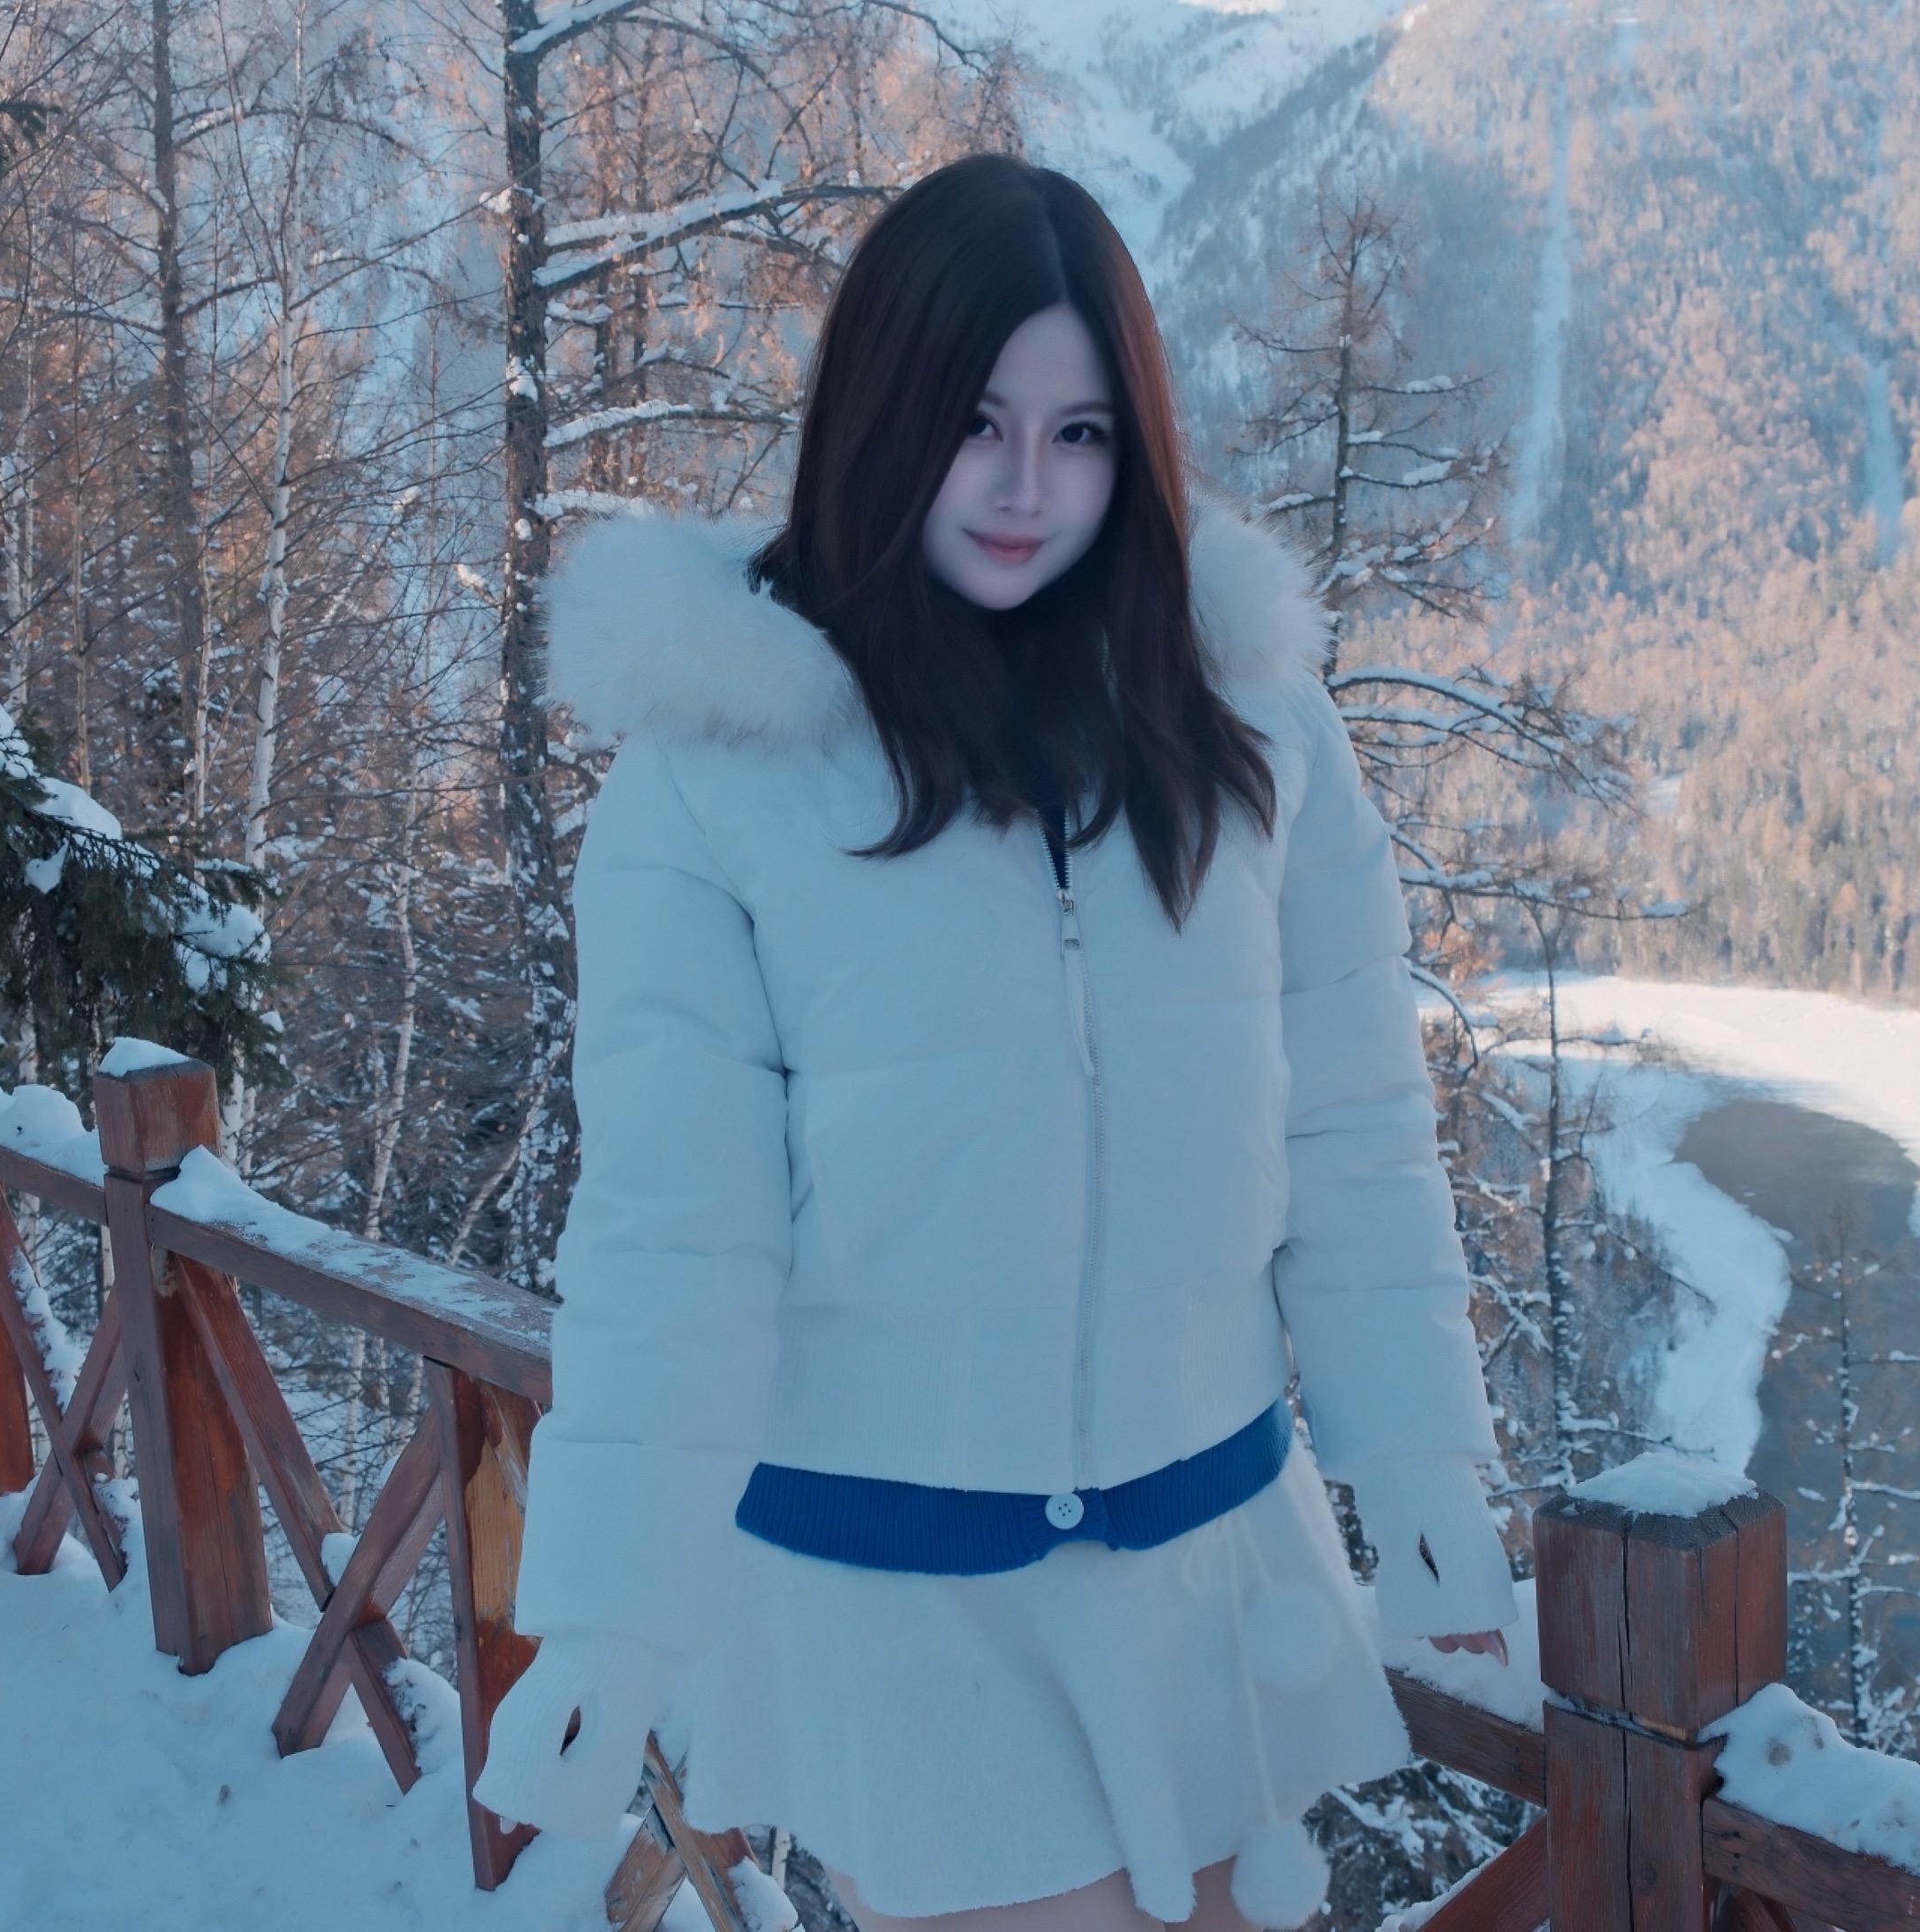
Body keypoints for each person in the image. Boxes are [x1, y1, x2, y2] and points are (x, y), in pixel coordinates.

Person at [470, 152, 1518, 1932]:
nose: (1030, 487)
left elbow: (1352, 1127)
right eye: (977, 422)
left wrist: (1417, 1472)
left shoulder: (1251, 735)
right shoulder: (719, 772)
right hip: (905, 1598)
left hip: (1209, 1563)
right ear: (880, 412)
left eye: (1082, 433)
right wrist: (608, 1620)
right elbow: (674, 1235)